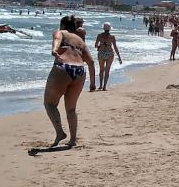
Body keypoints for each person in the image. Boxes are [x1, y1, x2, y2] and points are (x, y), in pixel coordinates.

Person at [42, 16, 96, 148]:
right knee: (71, 109)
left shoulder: (61, 32)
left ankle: (60, 132)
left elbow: (57, 39)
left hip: (63, 68)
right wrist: (93, 82)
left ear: (62, 25)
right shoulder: (80, 40)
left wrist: (54, 50)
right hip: (79, 71)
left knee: (50, 104)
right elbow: (90, 61)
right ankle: (72, 140)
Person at [93, 21, 122, 91]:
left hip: (101, 53)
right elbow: (115, 47)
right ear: (109, 29)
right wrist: (119, 56)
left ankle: (100, 85)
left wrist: (100, 46)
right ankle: (104, 86)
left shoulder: (99, 35)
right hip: (109, 53)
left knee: (101, 69)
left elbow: (95, 45)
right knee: (107, 70)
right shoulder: (112, 37)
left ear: (103, 28)